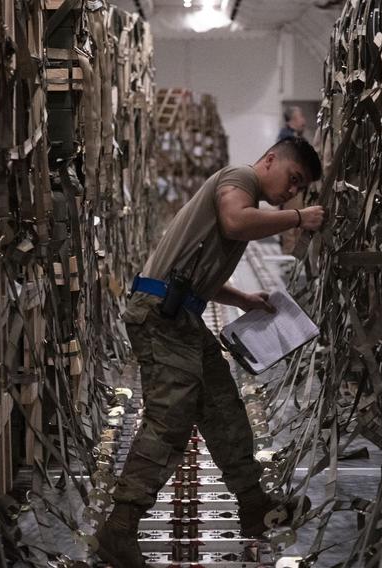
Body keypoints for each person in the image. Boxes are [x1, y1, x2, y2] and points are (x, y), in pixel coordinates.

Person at [94, 137, 325, 567]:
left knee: (223, 409)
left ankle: (255, 507)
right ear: (270, 160)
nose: (293, 191)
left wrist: (240, 299)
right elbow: (237, 222)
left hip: (181, 314)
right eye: (293, 179)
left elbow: (195, 271)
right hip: (162, 316)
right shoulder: (239, 178)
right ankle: (119, 529)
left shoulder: (240, 189)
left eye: (300, 189)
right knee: (169, 422)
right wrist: (296, 217)